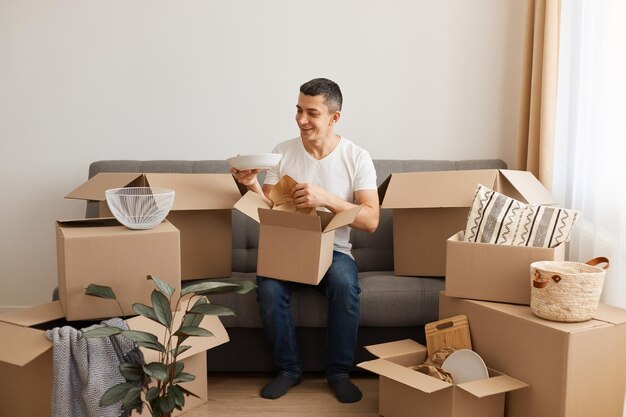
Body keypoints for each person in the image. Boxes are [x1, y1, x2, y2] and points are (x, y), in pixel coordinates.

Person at [231, 78, 380, 403]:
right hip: (289, 248)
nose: (301, 119)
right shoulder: (282, 152)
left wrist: (325, 198)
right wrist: (250, 185)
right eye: (298, 110)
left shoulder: (356, 157)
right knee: (268, 288)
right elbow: (269, 207)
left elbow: (370, 220)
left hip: (335, 252)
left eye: (311, 112)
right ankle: (289, 370)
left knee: (344, 284)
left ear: (334, 118)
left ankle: (338, 372)